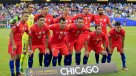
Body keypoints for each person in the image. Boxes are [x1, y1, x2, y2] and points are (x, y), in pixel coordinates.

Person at [8, 11, 29, 76]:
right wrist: (13, 44)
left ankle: (17, 72)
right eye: (25, 16)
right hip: (13, 42)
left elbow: (28, 32)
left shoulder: (26, 24)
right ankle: (12, 73)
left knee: (18, 57)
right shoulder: (17, 23)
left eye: (27, 16)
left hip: (20, 43)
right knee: (13, 57)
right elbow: (11, 33)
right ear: (22, 16)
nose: (27, 17)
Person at [20, 3, 34, 72]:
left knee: (30, 52)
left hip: (31, 37)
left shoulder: (32, 16)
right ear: (27, 8)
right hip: (24, 36)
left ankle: (28, 67)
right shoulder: (23, 16)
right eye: (30, 7)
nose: (31, 8)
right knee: (23, 52)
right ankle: (20, 67)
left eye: (32, 7)